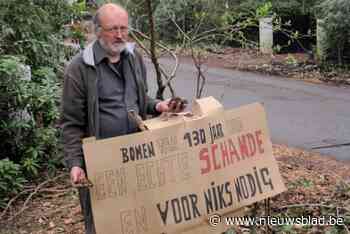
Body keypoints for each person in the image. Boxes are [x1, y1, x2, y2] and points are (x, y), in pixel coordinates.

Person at [60, 3, 184, 234]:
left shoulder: (133, 57)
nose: (119, 35)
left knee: (139, 217)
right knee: (103, 222)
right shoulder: (79, 69)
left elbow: (137, 101)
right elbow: (71, 123)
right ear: (97, 30)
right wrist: (76, 164)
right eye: (112, 29)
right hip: (101, 165)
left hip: (136, 156)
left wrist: (158, 105)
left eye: (124, 29)